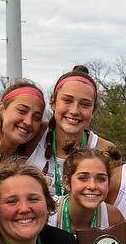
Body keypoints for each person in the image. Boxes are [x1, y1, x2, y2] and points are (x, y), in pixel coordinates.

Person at [36, 67, 113, 199]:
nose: (75, 110)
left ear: (93, 111)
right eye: (67, 100)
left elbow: (108, 206)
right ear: (53, 103)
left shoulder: (106, 150)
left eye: (85, 104)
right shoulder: (34, 137)